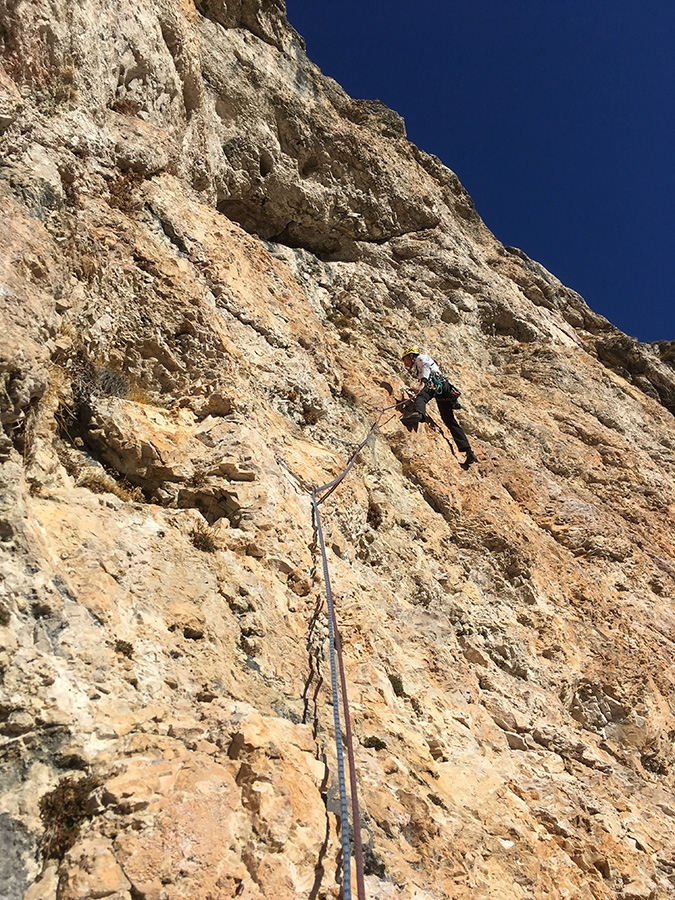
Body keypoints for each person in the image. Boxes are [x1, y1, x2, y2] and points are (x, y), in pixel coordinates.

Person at [400, 347, 477, 467]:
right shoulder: (419, 368)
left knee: (422, 397)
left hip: (436, 383)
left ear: (411, 356)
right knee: (449, 420)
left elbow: (426, 369)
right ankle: (468, 451)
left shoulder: (421, 358)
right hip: (444, 388)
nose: (405, 363)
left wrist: (422, 385)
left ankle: (419, 414)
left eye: (405, 359)